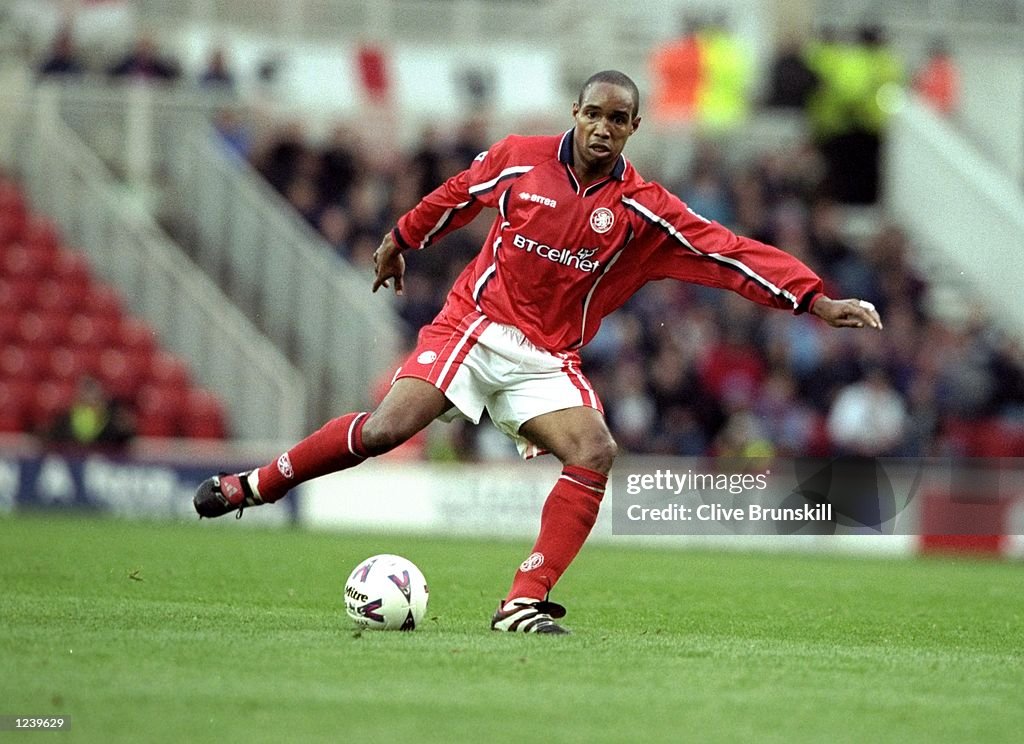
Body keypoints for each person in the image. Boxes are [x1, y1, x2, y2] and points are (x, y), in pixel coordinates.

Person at [194, 70, 883, 634]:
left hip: (548, 357)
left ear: (633, 129)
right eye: (594, 114)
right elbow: (457, 196)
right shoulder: (519, 158)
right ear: (574, 113)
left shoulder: (643, 208)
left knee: (595, 449)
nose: (603, 128)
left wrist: (813, 298)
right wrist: (400, 239)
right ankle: (255, 486)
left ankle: (521, 600)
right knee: (385, 430)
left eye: (619, 119)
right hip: (474, 325)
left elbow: (726, 250)